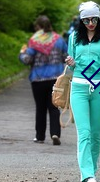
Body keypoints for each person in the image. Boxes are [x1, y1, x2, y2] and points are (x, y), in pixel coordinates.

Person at [65, 1, 100, 182]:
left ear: (99, 18)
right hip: (78, 88)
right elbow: (71, 67)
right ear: (81, 20)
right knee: (84, 133)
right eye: (86, 20)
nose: (90, 23)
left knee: (96, 134)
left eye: (94, 19)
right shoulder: (73, 38)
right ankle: (87, 175)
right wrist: (70, 62)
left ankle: (92, 171)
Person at [19, 15, 68, 145]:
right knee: (54, 107)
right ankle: (55, 133)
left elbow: (27, 60)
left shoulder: (34, 41)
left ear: (38, 27)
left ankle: (40, 136)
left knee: (40, 108)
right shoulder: (59, 40)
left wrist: (22, 53)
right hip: (55, 79)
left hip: (38, 79)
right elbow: (66, 57)